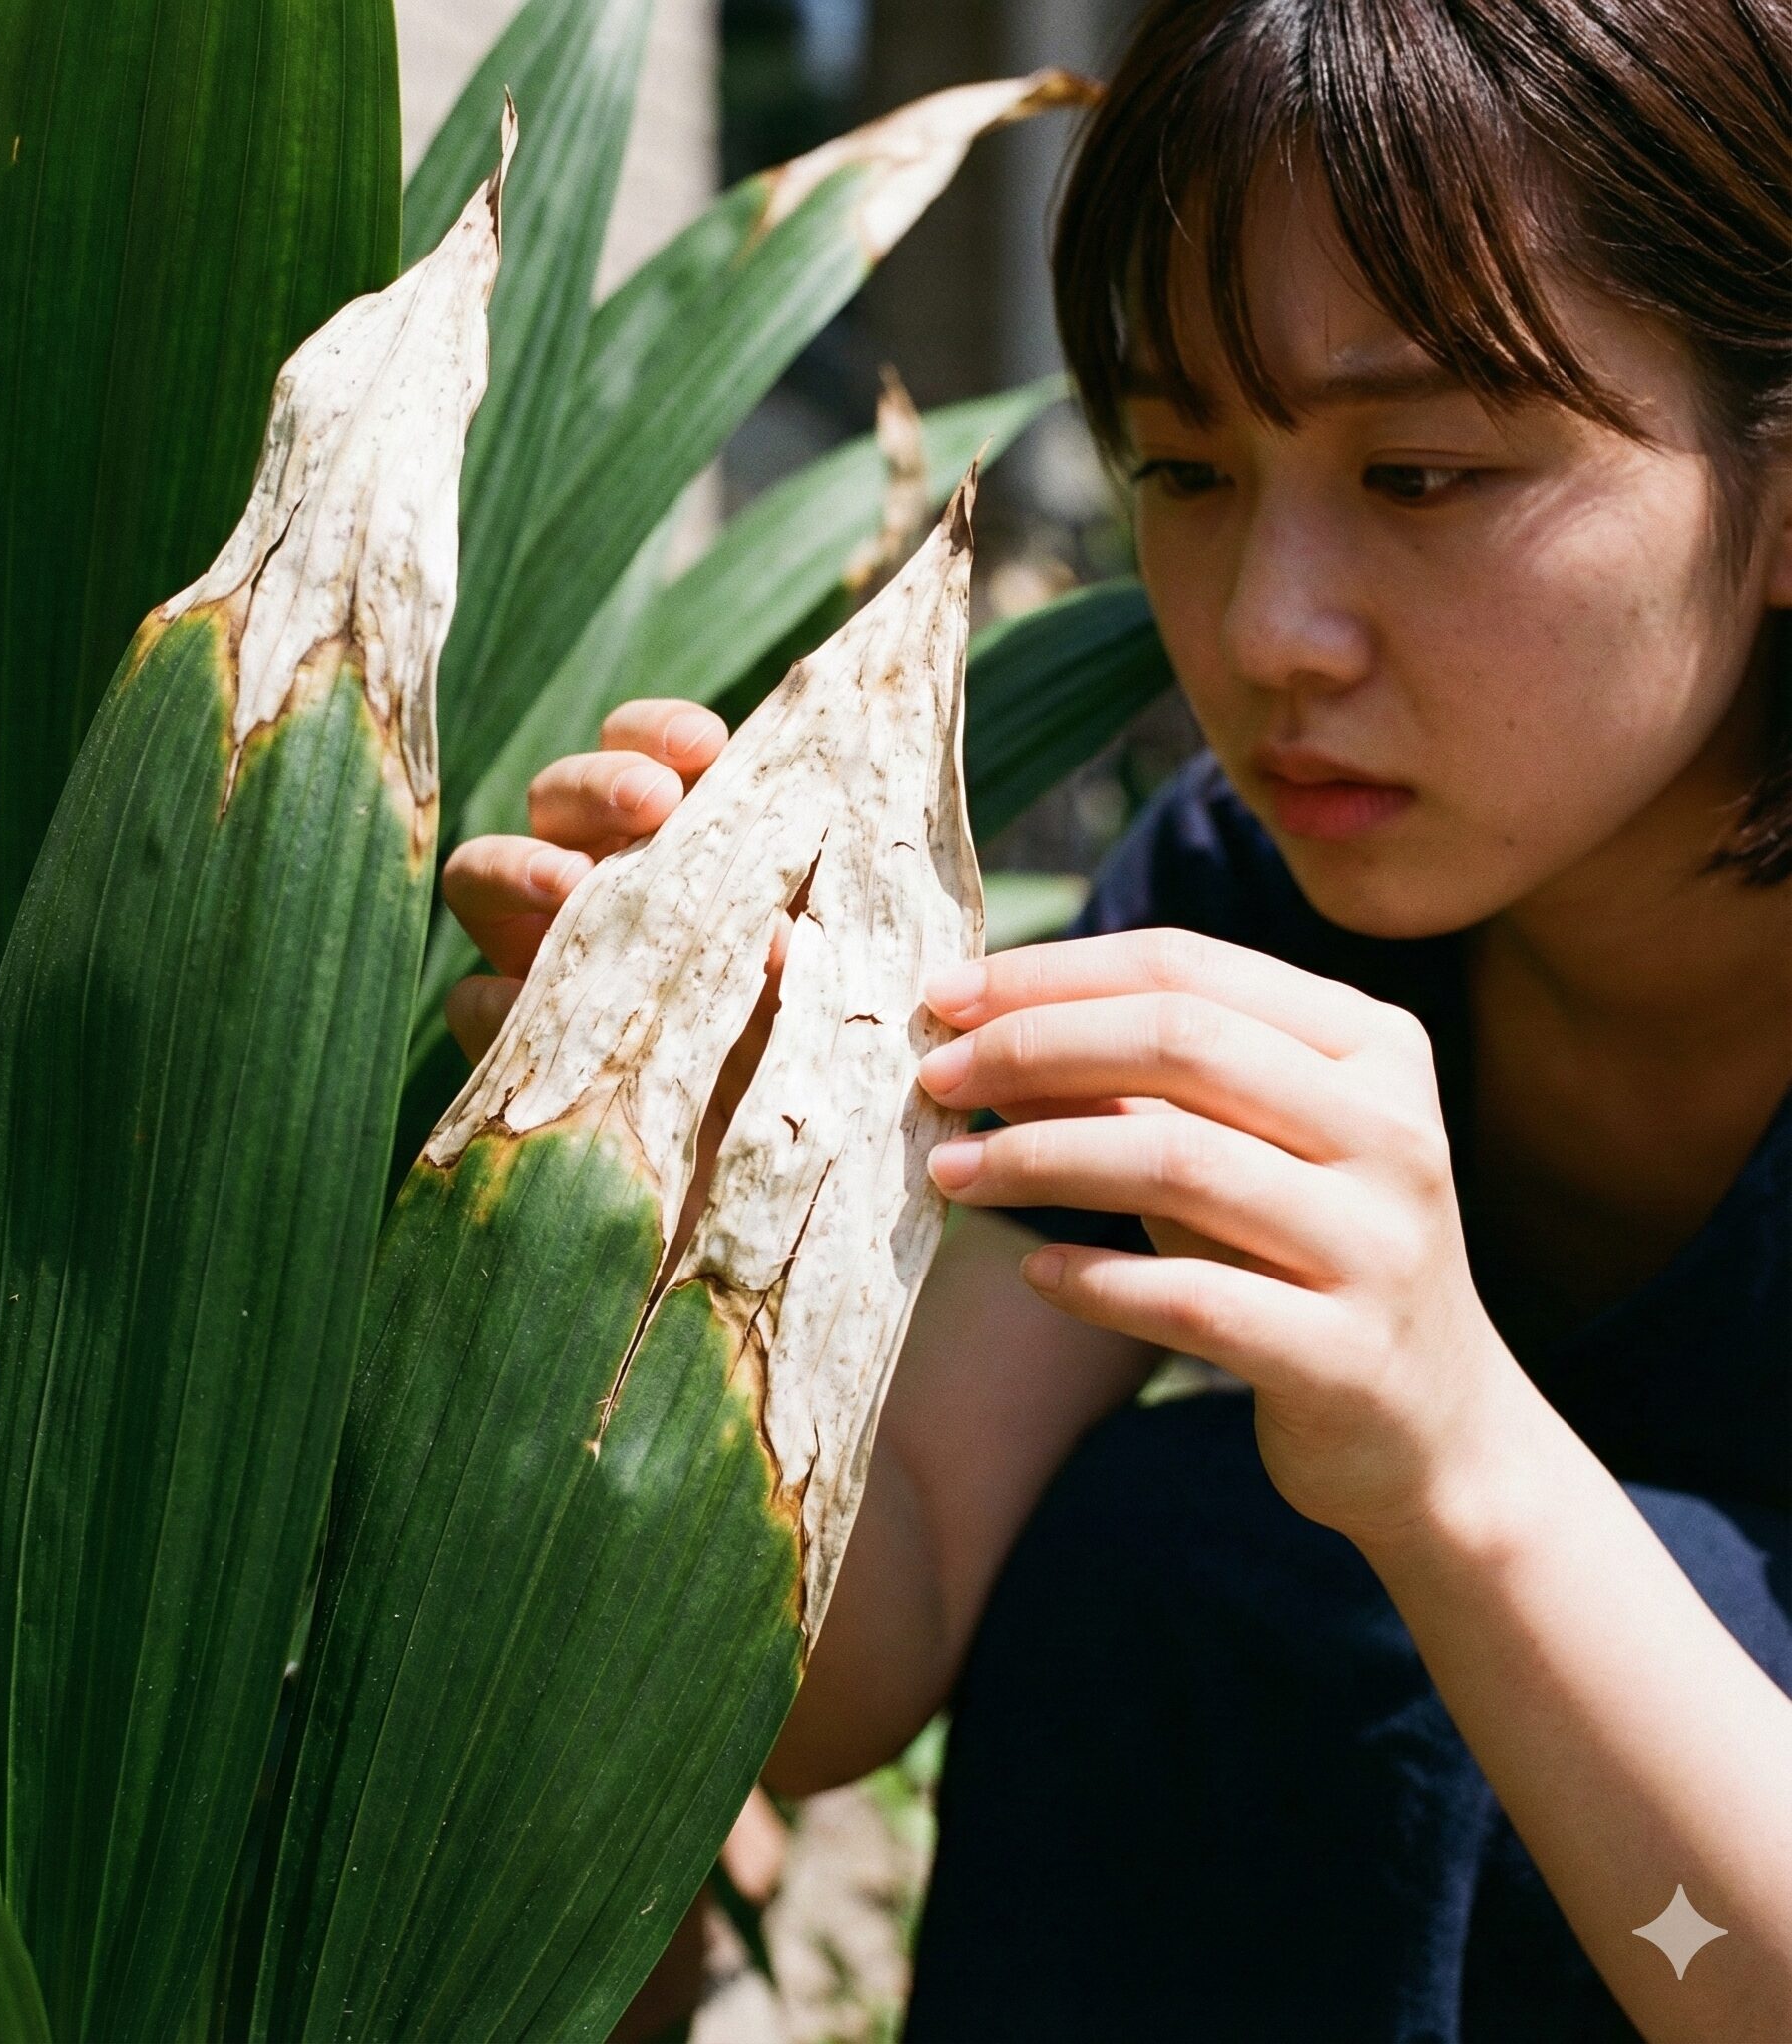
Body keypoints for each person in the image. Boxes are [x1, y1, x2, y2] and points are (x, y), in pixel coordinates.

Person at [439, 0, 1792, 2035]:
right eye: (1186, 467)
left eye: (1420, 472)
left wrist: (1458, 1457)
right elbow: (860, 1656)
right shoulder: (1257, 902)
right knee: (1187, 1565)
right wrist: (691, 1208)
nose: (1265, 629)